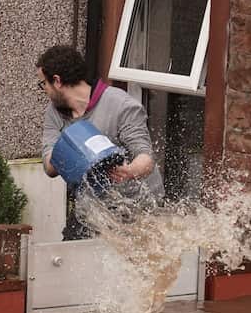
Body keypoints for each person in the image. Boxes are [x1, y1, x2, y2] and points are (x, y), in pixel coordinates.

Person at [35, 45, 164, 240]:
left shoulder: (121, 105)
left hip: (137, 207)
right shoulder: (54, 113)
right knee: (70, 260)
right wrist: (75, 147)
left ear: (57, 81)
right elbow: (50, 167)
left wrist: (129, 171)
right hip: (91, 208)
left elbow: (145, 158)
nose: (43, 90)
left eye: (43, 84)